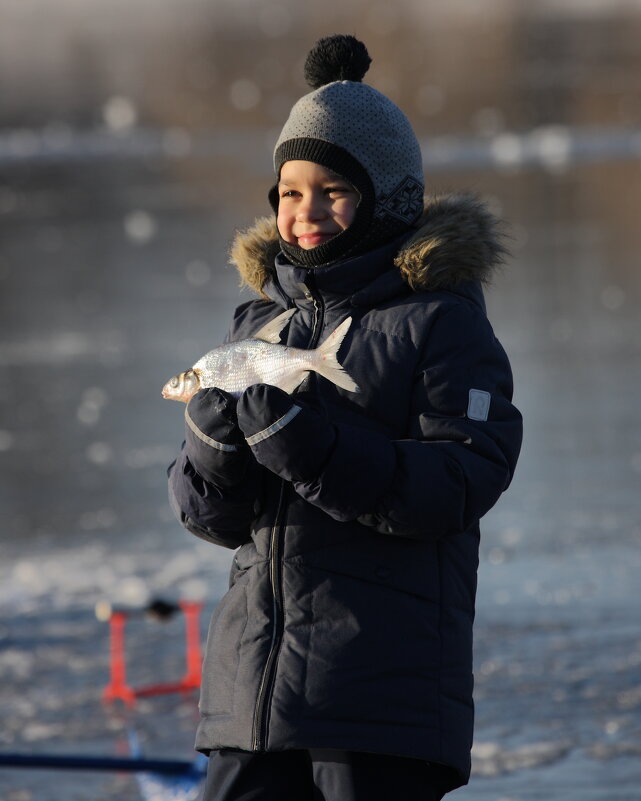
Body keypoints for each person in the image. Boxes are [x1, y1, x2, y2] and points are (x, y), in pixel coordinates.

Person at [167, 34, 523, 801]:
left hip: (375, 704)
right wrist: (212, 444)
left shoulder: (440, 322)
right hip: (250, 701)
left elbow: (460, 479)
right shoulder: (255, 326)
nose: (305, 212)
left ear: (387, 199)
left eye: (332, 189)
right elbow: (213, 518)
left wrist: (310, 448)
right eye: (290, 192)